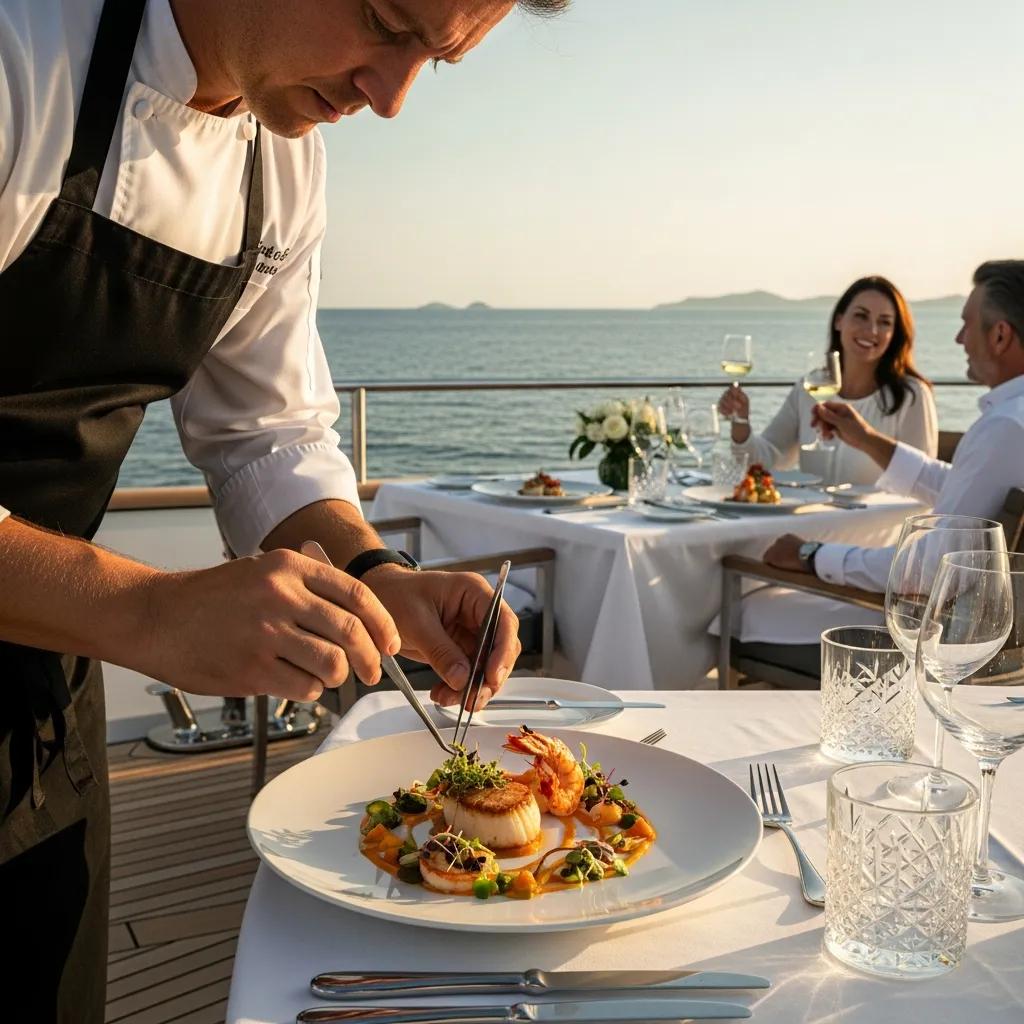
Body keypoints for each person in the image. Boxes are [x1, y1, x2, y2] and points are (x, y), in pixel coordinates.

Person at [0, 0, 568, 1018]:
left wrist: (375, 577)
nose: (388, 98)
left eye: (432, 62)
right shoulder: (21, 51)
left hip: (42, 684)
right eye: (384, 21)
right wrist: (147, 613)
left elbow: (266, 435)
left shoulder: (281, 154)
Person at [740, 261, 1024, 670]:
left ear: (1000, 335)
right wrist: (868, 440)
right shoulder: (1011, 422)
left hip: (934, 636)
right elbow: (960, 488)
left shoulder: (1003, 428)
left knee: (733, 604)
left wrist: (811, 554)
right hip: (971, 626)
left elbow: (927, 571)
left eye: (966, 323)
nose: (959, 338)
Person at [718, 276, 938, 485]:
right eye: (861, 316)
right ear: (839, 321)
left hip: (879, 524)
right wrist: (740, 421)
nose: (871, 330)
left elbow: (922, 483)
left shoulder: (911, 396)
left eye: (884, 322)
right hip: (811, 522)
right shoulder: (808, 389)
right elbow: (765, 462)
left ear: (894, 333)